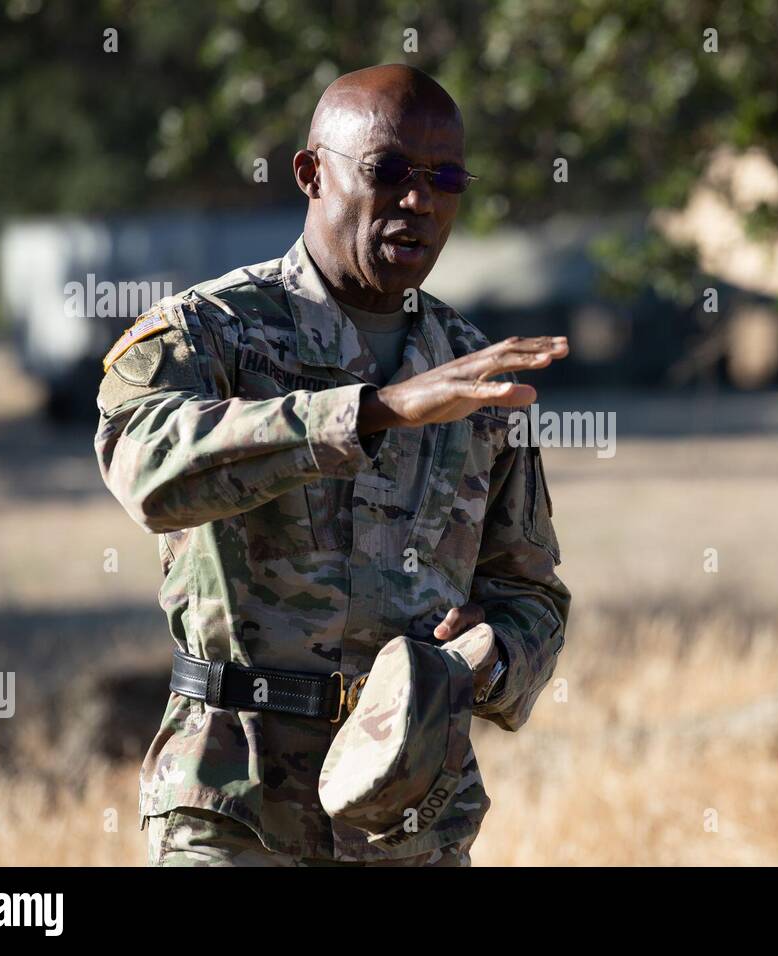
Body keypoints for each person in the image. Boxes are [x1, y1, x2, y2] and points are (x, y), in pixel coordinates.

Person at [94, 63, 570, 866]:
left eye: (445, 177)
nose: (419, 200)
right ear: (312, 174)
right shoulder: (209, 332)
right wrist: (375, 410)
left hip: (409, 814)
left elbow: (532, 594)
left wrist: (489, 656)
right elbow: (147, 470)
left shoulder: (469, 368)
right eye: (388, 172)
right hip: (232, 803)